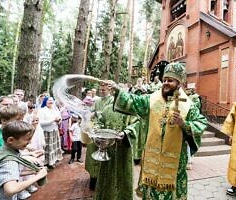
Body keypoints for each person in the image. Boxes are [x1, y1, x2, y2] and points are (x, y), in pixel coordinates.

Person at [110, 62, 208, 199]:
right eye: (165, 80)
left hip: (175, 162)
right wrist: (118, 91)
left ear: (179, 83)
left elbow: (201, 123)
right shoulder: (152, 99)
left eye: (170, 80)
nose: (166, 83)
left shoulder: (188, 105)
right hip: (152, 159)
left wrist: (183, 123)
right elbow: (134, 101)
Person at [92, 95, 139, 200]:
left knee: (122, 174)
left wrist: (125, 132)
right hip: (107, 149)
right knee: (106, 174)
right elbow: (99, 122)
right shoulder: (107, 108)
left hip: (123, 149)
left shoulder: (129, 111)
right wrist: (96, 128)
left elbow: (136, 124)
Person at [0, 120, 47, 200]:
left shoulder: (3, 151)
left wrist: (33, 171)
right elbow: (11, 189)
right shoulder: (8, 162)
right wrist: (38, 177)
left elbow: (11, 173)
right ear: (11, 140)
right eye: (27, 139)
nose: (30, 142)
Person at [85, 82, 114, 190]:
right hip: (95, 131)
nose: (101, 92)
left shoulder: (112, 100)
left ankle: (103, 180)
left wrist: (97, 113)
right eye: (100, 90)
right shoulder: (96, 101)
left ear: (109, 90)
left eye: (104, 90)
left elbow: (108, 113)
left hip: (106, 132)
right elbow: (91, 112)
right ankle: (93, 178)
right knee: (92, 152)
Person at [38, 96, 63, 168]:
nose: (51, 102)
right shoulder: (42, 110)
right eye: (49, 100)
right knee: (47, 148)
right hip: (46, 132)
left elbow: (59, 118)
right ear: (45, 101)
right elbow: (40, 122)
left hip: (54, 131)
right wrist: (53, 120)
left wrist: (59, 121)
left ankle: (52, 161)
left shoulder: (55, 110)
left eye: (52, 100)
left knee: (53, 148)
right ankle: (46, 162)